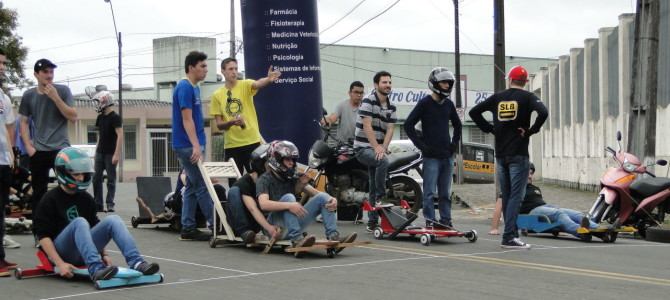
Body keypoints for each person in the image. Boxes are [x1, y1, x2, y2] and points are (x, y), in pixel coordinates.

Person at [33, 147, 159, 281]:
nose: (81, 178)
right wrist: (60, 264)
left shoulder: (86, 198)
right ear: (63, 172)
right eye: (76, 174)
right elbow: (43, 237)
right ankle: (96, 269)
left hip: (83, 252)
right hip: (62, 252)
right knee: (80, 222)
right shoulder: (49, 199)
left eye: (83, 173)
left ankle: (137, 262)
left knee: (114, 219)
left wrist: (104, 254)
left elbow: (94, 226)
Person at [469, 65, 548, 249]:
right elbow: (543, 112)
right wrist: (531, 131)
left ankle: (509, 234)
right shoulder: (528, 97)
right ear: (525, 82)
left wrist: (489, 128)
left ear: (510, 80)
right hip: (519, 154)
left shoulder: (498, 98)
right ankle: (510, 236)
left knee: (506, 196)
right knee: (516, 197)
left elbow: (474, 112)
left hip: (501, 154)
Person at [257, 140, 357, 249]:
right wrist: (289, 205)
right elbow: (263, 204)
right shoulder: (264, 179)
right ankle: (296, 239)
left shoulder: (292, 177)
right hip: (273, 228)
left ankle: (333, 236)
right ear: (277, 159)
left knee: (324, 197)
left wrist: (332, 199)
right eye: (288, 159)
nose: (292, 163)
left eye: (293, 160)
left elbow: (317, 194)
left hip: (291, 224)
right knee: (289, 198)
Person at [404, 67, 462, 229]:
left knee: (445, 193)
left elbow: (458, 126)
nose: (447, 85)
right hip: (431, 157)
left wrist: (453, 145)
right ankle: (430, 220)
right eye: (444, 82)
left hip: (447, 156)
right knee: (429, 192)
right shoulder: (424, 103)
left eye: (449, 83)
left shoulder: (449, 104)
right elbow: (408, 125)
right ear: (435, 83)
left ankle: (445, 220)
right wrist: (422, 146)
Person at [19, 58, 77, 218]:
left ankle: (67, 228)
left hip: (61, 149)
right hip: (39, 151)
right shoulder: (29, 95)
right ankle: (40, 233)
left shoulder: (63, 91)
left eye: (51, 71)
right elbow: (22, 122)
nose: (49, 75)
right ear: (36, 75)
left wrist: (55, 98)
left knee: (68, 190)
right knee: (39, 194)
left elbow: (73, 117)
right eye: (45, 72)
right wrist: (28, 147)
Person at [210, 58, 281, 181]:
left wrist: (268, 80)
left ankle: (261, 201)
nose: (234, 72)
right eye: (230, 69)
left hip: (251, 143)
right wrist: (231, 122)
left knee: (258, 180)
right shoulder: (217, 95)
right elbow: (219, 124)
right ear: (223, 71)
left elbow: (258, 83)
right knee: (234, 184)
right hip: (231, 146)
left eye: (236, 69)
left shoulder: (245, 84)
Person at [171, 51, 213, 241]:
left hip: (193, 144)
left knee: (192, 186)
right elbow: (187, 120)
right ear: (191, 68)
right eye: (202, 66)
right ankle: (217, 224)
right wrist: (196, 146)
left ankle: (187, 227)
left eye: (205, 66)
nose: (205, 69)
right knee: (202, 185)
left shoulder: (195, 88)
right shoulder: (184, 87)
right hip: (187, 145)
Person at [354, 71, 396, 231]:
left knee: (372, 183)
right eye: (384, 82)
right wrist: (377, 147)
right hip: (363, 148)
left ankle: (372, 223)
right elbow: (367, 125)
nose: (388, 85)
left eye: (389, 82)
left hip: (377, 149)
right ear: (376, 85)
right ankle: (380, 197)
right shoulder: (368, 101)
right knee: (383, 161)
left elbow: (391, 128)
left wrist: (383, 148)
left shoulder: (391, 106)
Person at [520, 163, 599, 238]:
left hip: (544, 207)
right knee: (559, 213)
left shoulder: (535, 188)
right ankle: (579, 230)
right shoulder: (518, 189)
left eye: (531, 174)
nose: (530, 176)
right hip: (532, 212)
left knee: (576, 214)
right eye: (528, 174)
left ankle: (597, 228)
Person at [227, 144, 280, 244]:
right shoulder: (244, 183)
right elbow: (253, 209)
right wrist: (269, 228)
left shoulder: (270, 178)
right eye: (270, 162)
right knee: (234, 190)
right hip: (245, 219)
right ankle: (244, 231)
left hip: (261, 220)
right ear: (261, 164)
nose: (274, 164)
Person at [0, 48, 18, 277]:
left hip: (3, 162)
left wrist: (12, 153)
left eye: (4, 64)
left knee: (1, 211)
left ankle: (1, 258)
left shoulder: (3, 97)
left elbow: (10, 125)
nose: (2, 68)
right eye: (0, 63)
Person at [92, 90, 122, 213]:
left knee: (111, 179)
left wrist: (117, 154)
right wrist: (95, 152)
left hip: (111, 153)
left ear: (106, 102)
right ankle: (98, 204)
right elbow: (100, 136)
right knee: (96, 178)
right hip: (100, 153)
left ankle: (110, 203)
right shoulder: (100, 117)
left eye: (99, 102)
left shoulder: (115, 117)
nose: (98, 104)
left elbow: (120, 135)